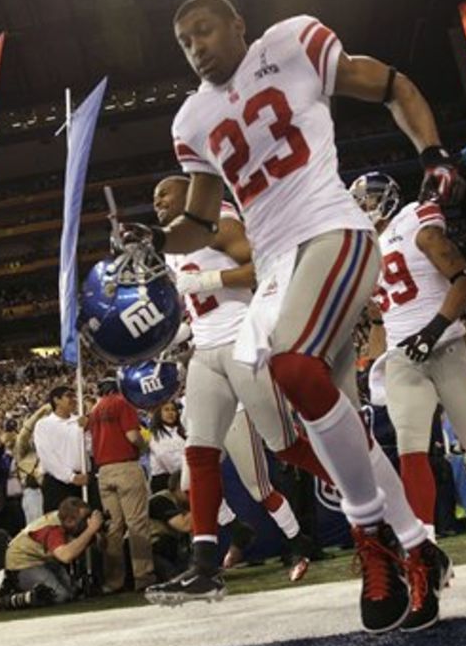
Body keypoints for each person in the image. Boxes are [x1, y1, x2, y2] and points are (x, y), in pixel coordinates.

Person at [138, 0, 453, 633]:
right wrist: (152, 243)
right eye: (184, 41)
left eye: (204, 30)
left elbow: (391, 84)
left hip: (332, 230)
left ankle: (371, 538)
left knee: (291, 365)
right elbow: (198, 220)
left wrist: (434, 153)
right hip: (280, 271)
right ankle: (419, 546)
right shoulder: (191, 120)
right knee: (331, 423)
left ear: (238, 25)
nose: (196, 46)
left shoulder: (291, 43)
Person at [142, 176, 341, 605]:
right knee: (199, 452)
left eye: (164, 194)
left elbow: (264, 269)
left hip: (244, 341)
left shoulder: (219, 220)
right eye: (154, 198)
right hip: (206, 349)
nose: (156, 202)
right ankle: (205, 566)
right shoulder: (173, 249)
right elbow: (196, 308)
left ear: (189, 196)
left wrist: (209, 279)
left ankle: (352, 488)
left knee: (284, 446)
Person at [355, 172, 466, 540]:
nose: (362, 207)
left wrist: (432, 330)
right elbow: (379, 319)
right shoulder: (365, 251)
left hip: (446, 344)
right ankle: (422, 542)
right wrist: (370, 364)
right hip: (402, 356)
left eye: (367, 199)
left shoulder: (414, 219)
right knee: (411, 446)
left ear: (388, 198)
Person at [85, 377, 155, 593]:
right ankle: (143, 576)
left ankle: (113, 581)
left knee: (113, 527)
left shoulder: (94, 410)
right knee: (137, 524)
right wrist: (144, 447)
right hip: (126, 467)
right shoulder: (123, 403)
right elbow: (133, 436)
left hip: (104, 471)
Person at [0, 497, 102, 611]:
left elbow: (92, 545)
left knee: (71, 593)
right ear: (69, 521)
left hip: (40, 561)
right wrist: (90, 530)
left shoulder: (62, 520)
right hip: (21, 564)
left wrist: (95, 533)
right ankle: (12, 599)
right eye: (83, 519)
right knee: (58, 595)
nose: (86, 522)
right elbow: (66, 556)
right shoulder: (53, 529)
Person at [33, 386, 88, 514]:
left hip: (83, 481)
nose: (74, 399)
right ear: (56, 400)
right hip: (58, 484)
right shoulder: (44, 425)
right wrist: (70, 477)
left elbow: (88, 449)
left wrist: (87, 430)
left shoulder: (80, 422)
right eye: (69, 396)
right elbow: (47, 457)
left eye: (74, 396)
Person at [146, 401, 186, 494]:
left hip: (183, 475)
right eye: (166, 410)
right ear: (159, 413)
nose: (170, 413)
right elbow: (168, 460)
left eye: (173, 410)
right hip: (166, 481)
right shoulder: (156, 436)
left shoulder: (180, 431)